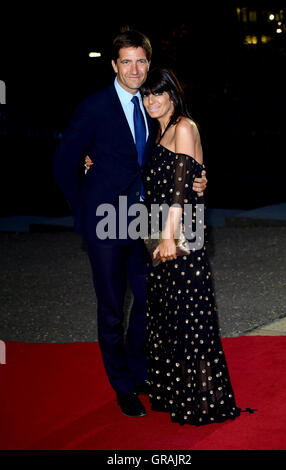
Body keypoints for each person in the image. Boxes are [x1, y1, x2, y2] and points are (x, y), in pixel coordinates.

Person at [52, 29, 207, 418]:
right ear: (114, 65)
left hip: (146, 221)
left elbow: (178, 155)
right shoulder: (94, 107)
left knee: (149, 301)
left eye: (141, 61)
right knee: (111, 309)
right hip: (104, 222)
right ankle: (122, 387)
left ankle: (141, 373)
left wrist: (198, 179)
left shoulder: (155, 106)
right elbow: (62, 163)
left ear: (148, 64)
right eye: (126, 61)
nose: (135, 69)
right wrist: (83, 207)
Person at [140, 67, 241, 426]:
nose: (151, 100)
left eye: (158, 94)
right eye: (147, 95)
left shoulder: (182, 126)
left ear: (172, 95)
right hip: (163, 236)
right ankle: (179, 394)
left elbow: (180, 193)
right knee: (170, 317)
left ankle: (202, 402)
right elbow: (194, 174)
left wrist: (168, 235)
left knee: (190, 320)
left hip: (179, 236)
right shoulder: (160, 130)